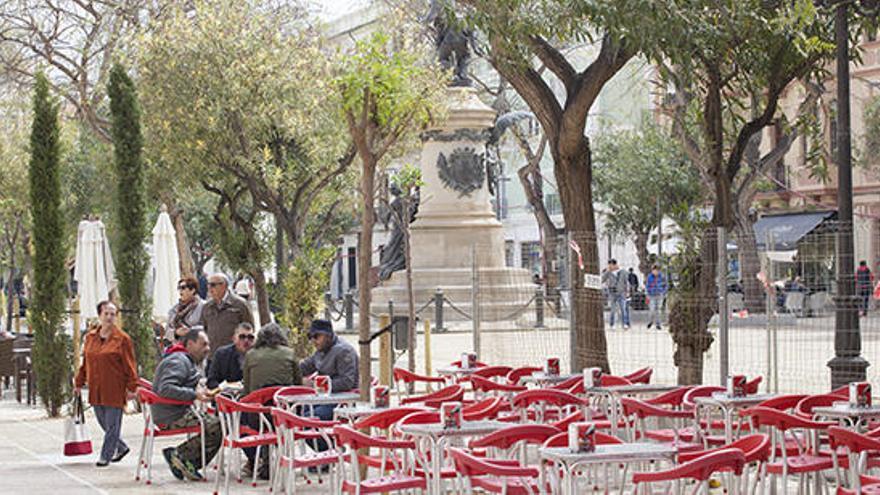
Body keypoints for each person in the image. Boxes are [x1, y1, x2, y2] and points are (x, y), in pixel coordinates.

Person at [74, 301, 138, 467]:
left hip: (114, 388)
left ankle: (105, 456)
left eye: (112, 314)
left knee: (112, 424)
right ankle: (121, 447)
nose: (109, 317)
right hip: (96, 388)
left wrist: (132, 387)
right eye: (106, 313)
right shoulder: (90, 337)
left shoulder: (123, 339)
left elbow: (129, 364)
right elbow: (85, 362)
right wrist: (79, 382)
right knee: (103, 422)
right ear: (100, 315)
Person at [153, 328, 222, 481]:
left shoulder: (183, 360)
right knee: (219, 426)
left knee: (218, 423)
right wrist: (194, 394)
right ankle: (180, 456)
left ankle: (184, 462)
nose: (207, 349)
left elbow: (180, 383)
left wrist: (198, 390)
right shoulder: (178, 361)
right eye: (203, 345)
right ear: (190, 344)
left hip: (175, 411)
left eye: (208, 345)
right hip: (171, 415)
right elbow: (166, 388)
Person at [241, 323, 303, 477]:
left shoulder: (251, 355)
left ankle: (259, 461)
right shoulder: (290, 354)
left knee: (244, 418)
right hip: (284, 414)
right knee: (278, 418)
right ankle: (284, 458)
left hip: (258, 414)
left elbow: (247, 389)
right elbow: (298, 386)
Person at [299, 319, 358, 422]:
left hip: (342, 402)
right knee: (299, 412)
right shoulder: (321, 350)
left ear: (328, 335)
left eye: (316, 336)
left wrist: (316, 385)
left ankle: (320, 438)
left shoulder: (343, 351)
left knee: (308, 418)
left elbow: (347, 381)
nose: (313, 340)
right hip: (325, 399)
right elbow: (305, 367)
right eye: (310, 337)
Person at [200, 273, 253, 361]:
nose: (209, 288)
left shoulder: (240, 305)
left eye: (213, 285)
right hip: (213, 357)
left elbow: (249, 328)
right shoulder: (207, 307)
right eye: (208, 284)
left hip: (234, 357)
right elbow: (204, 328)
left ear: (224, 285)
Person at [205, 322, 254, 389]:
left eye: (250, 337)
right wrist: (227, 386)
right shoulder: (221, 354)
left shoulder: (258, 355)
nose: (246, 340)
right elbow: (211, 381)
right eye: (242, 337)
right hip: (226, 394)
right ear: (234, 338)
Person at [165, 276, 205, 346]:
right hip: (178, 348)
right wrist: (176, 332)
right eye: (179, 288)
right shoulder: (174, 309)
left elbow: (207, 327)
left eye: (183, 288)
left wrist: (189, 331)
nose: (180, 291)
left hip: (196, 347)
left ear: (192, 290)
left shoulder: (203, 306)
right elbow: (167, 331)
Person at [601, 259, 630, 329]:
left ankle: (625, 324)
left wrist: (627, 291)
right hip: (612, 293)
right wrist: (607, 271)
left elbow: (626, 282)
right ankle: (612, 324)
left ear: (615, 265)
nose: (609, 267)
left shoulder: (623, 272)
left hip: (621, 292)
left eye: (610, 265)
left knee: (623, 309)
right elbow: (602, 279)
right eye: (609, 265)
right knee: (612, 309)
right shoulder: (608, 272)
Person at [645, 265, 668, 330]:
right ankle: (650, 321)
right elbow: (647, 285)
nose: (654, 272)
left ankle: (658, 324)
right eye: (653, 270)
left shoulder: (662, 276)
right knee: (652, 309)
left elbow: (666, 285)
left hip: (660, 295)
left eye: (656, 270)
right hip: (651, 295)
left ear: (658, 270)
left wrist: (663, 292)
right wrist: (647, 294)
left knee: (658, 310)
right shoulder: (649, 277)